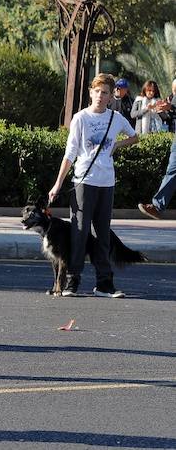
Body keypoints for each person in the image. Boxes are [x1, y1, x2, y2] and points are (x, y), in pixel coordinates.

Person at [49, 73, 138, 298]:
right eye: (97, 91)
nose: (100, 96)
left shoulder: (116, 118)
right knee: (79, 232)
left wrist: (117, 145)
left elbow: (135, 136)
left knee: (102, 234)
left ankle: (104, 283)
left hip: (106, 182)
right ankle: (72, 280)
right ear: (91, 93)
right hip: (83, 181)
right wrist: (58, 183)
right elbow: (70, 153)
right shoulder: (81, 118)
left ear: (111, 96)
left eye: (105, 92)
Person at [138, 77, 176, 219]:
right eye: (174, 90)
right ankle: (158, 206)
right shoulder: (172, 98)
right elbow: (169, 117)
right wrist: (163, 109)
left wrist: (171, 107)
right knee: (172, 171)